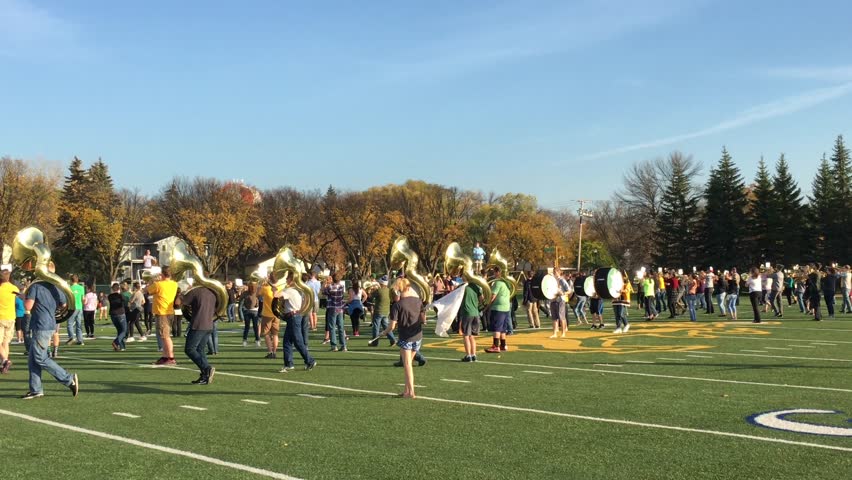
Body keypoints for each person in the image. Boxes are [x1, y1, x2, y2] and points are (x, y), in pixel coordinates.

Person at [21, 272, 79, 399]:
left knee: (40, 358)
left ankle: (69, 379)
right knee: (33, 360)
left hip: (40, 325)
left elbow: (28, 306)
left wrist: (24, 296)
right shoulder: (57, 287)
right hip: (50, 323)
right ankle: (36, 389)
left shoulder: (35, 286)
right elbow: (63, 305)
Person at [378, 278, 423, 399]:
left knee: (407, 365)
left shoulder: (397, 305)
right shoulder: (418, 301)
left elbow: (392, 326)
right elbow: (424, 320)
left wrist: (384, 332)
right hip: (418, 336)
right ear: (408, 287)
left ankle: (411, 392)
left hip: (406, 337)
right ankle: (406, 391)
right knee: (407, 364)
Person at [276, 274, 317, 373]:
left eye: (287, 278)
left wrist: (275, 288)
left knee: (298, 342)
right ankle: (289, 364)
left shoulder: (289, 290)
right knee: (287, 342)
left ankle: (310, 360)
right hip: (293, 317)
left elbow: (276, 295)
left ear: (292, 280)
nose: (286, 279)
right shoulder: (296, 290)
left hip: (293, 317)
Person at [182, 281, 218, 385]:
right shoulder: (213, 292)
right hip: (209, 324)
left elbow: (179, 303)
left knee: (189, 349)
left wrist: (180, 295)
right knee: (200, 350)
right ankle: (204, 376)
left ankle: (207, 368)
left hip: (198, 324)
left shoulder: (195, 291)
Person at [147, 266, 179, 366]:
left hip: (162, 313)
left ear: (162, 274)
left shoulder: (158, 284)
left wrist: (152, 280)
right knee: (164, 336)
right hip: (169, 312)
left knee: (165, 336)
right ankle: (165, 357)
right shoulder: (174, 284)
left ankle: (171, 357)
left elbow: (147, 290)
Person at [484, 266, 511, 353]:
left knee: (496, 327)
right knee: (503, 328)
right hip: (506, 307)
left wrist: (487, 304)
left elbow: (493, 295)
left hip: (498, 307)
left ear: (497, 272)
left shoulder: (498, 283)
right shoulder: (507, 283)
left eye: (494, 272)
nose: (493, 274)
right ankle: (503, 345)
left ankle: (495, 346)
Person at [0, 270, 20, 374]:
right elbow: (20, 294)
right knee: (5, 342)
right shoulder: (13, 288)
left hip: (0, 317)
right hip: (11, 317)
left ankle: (5, 360)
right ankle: (4, 365)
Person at [368, 276, 396, 347]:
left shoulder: (378, 291)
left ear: (381, 283)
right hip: (386, 312)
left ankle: (375, 342)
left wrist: (371, 290)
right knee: (387, 327)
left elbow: (370, 297)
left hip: (378, 311)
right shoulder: (389, 290)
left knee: (376, 327)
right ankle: (393, 340)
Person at [458, 280, 482, 362]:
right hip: (476, 313)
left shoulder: (464, 287)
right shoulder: (476, 286)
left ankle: (468, 355)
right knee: (472, 336)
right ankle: (474, 354)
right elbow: (481, 299)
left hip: (467, 313)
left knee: (466, 335)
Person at [323, 273, 347, 352]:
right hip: (340, 308)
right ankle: (343, 346)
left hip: (332, 308)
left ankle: (334, 346)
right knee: (341, 327)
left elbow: (324, 292)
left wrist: (325, 283)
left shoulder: (330, 287)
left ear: (333, 279)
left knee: (332, 327)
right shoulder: (341, 286)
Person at [259, 273, 279, 359]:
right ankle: (274, 352)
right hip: (277, 314)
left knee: (266, 333)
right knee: (275, 334)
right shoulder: (280, 287)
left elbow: (257, 294)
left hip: (267, 314)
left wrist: (261, 284)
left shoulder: (266, 288)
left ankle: (270, 352)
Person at [107, 283, 128, 351]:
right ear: (118, 288)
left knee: (119, 330)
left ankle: (122, 347)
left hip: (113, 315)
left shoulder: (110, 296)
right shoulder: (120, 295)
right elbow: (125, 300)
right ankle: (116, 342)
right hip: (120, 314)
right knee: (124, 331)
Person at [65, 274, 85, 346]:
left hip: (72, 308)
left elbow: (67, 299)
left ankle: (71, 337)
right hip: (79, 307)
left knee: (69, 323)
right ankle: (80, 340)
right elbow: (83, 299)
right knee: (78, 324)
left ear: (71, 280)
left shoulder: (69, 288)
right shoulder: (81, 288)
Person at [548, 273, 570, 339]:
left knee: (561, 317)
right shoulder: (551, 282)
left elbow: (569, 290)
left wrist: (562, 293)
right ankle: (554, 333)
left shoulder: (562, 280)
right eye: (554, 273)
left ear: (559, 273)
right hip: (553, 300)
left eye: (556, 273)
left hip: (560, 301)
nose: (555, 274)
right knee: (554, 318)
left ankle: (563, 333)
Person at [240, 282, 261, 347]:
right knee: (255, 327)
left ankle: (245, 340)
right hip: (254, 311)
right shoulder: (257, 292)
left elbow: (241, 302)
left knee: (247, 327)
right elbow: (260, 301)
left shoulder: (245, 293)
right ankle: (257, 340)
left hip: (247, 311)